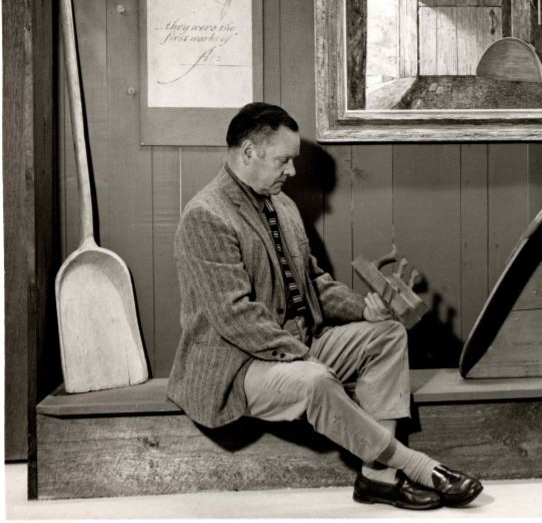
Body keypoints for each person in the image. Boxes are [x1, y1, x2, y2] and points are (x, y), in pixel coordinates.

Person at [167, 102, 482, 510]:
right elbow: (234, 316)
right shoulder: (205, 216)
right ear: (248, 152)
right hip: (238, 365)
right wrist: (303, 357)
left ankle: (376, 477)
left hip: (298, 345)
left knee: (386, 335)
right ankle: (416, 466)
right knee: (315, 380)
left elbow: (313, 282)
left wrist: (363, 310)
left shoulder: (282, 206)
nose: (292, 171)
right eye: (283, 160)